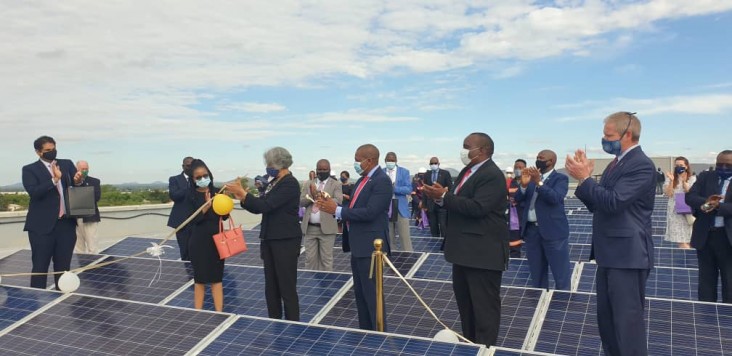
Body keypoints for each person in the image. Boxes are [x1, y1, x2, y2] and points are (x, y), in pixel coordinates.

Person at [565, 111, 655, 356]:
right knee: (608, 323)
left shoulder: (640, 164)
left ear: (627, 134)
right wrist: (585, 181)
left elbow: (614, 202)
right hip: (610, 254)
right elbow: (598, 203)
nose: (604, 140)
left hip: (628, 256)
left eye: (609, 135)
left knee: (627, 326)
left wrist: (585, 179)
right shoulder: (616, 164)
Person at [422, 132, 509, 346]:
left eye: (466, 146)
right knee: (467, 308)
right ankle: (471, 347)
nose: (463, 150)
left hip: (482, 253)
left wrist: (444, 197)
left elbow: (478, 208)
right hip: (463, 252)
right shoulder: (466, 171)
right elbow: (458, 201)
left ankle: (485, 349)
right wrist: (441, 198)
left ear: (482, 150)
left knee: (484, 311)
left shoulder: (492, 175)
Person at [317, 144, 392, 331]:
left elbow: (370, 212)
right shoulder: (361, 180)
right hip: (358, 245)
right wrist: (333, 206)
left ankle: (378, 335)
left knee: (373, 295)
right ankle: (366, 332)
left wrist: (339, 211)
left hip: (372, 247)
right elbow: (355, 206)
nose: (355, 163)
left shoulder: (381, 181)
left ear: (369, 160)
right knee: (360, 294)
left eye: (358, 159)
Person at [226, 147, 302, 321]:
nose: (268, 167)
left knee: (286, 286)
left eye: (270, 164)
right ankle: (274, 320)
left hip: (285, 241)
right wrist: (242, 197)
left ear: (280, 163)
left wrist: (243, 193)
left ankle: (292, 324)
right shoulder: (274, 183)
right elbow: (260, 205)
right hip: (269, 239)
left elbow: (267, 206)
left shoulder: (289, 183)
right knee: (271, 287)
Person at [22, 135, 83, 289]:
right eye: (48, 150)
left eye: (54, 148)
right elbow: (34, 192)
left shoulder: (67, 164)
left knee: (63, 268)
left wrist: (77, 181)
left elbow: (76, 186)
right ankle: (36, 303)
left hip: (66, 225)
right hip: (42, 228)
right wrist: (54, 180)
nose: (52, 152)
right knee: (40, 268)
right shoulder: (29, 169)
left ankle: (60, 303)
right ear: (38, 152)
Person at [514, 150, 571, 290]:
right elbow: (517, 199)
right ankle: (539, 303)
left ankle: (562, 305)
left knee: (560, 274)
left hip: (553, 233)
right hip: (532, 232)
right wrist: (523, 186)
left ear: (551, 161)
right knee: (537, 274)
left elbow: (555, 198)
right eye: (537, 157)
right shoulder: (531, 180)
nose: (538, 160)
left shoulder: (560, 179)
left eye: (541, 158)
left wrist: (539, 182)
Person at [686, 150, 732, 303]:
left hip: (728, 239)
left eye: (728, 165)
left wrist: (718, 207)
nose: (723, 168)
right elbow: (690, 197)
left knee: (729, 281)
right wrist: (708, 203)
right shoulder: (706, 177)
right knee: (706, 282)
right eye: (720, 164)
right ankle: (707, 320)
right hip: (706, 237)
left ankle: (727, 319)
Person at [186, 159, 225, 312]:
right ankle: (198, 313)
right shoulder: (190, 195)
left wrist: (224, 206)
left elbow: (225, 216)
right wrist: (206, 206)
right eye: (198, 177)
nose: (203, 179)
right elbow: (190, 220)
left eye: (205, 175)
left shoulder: (217, 192)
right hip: (199, 242)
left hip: (217, 241)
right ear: (193, 179)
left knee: (217, 279)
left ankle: (219, 312)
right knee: (200, 280)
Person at [299, 159, 343, 271]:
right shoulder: (309, 183)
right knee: (310, 260)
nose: (322, 171)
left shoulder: (336, 184)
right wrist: (312, 197)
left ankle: (326, 286)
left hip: (327, 229)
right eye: (320, 169)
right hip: (310, 228)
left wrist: (319, 196)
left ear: (329, 169)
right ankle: (311, 286)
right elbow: (301, 201)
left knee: (326, 260)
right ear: (316, 169)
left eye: (325, 169)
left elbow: (338, 200)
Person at [664, 157, 696, 249]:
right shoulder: (671, 178)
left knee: (688, 239)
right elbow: (669, 194)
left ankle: (688, 259)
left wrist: (684, 182)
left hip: (687, 209)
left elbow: (691, 192)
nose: (678, 167)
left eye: (681, 165)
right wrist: (671, 180)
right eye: (676, 165)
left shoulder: (692, 178)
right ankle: (686, 257)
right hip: (675, 211)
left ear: (686, 166)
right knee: (681, 240)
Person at [383, 152, 413, 251]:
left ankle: (408, 259)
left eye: (392, 160)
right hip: (386, 208)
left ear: (396, 161)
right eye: (388, 160)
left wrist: (394, 188)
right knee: (389, 238)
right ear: (385, 161)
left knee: (405, 238)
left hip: (400, 208)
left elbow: (408, 189)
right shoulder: (381, 172)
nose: (390, 162)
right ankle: (391, 260)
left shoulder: (404, 172)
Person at [168, 156, 195, 260]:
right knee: (185, 251)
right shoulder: (175, 179)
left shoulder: (199, 179)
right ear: (183, 166)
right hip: (181, 222)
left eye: (193, 166)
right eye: (188, 166)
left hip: (196, 221)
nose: (190, 168)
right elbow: (174, 195)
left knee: (197, 250)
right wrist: (189, 185)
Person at [74, 160, 102, 254]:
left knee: (92, 246)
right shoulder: (71, 181)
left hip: (90, 218)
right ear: (77, 169)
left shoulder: (94, 181)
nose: (85, 170)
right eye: (82, 169)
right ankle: (81, 267)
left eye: (86, 169)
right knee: (79, 247)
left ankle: (93, 267)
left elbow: (96, 197)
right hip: (76, 219)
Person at [422, 157, 452, 238]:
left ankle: (444, 244)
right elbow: (425, 190)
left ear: (438, 164)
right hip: (431, 204)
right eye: (432, 163)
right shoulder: (427, 175)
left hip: (442, 204)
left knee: (443, 225)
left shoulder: (445, 173)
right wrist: (424, 205)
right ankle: (434, 241)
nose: (433, 165)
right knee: (433, 225)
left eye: (435, 163)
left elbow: (450, 187)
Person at [507, 159, 527, 257]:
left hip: (526, 217)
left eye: (520, 167)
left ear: (525, 169)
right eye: (516, 167)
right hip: (513, 218)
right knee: (514, 243)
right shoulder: (510, 183)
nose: (517, 169)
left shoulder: (530, 183)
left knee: (530, 244)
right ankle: (515, 259)